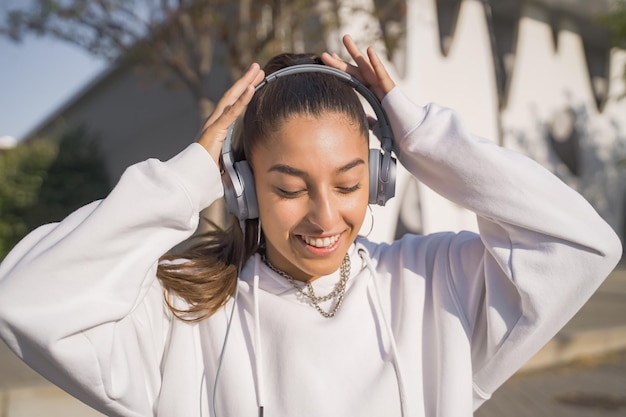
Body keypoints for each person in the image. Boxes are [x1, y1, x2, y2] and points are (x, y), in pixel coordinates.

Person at [0, 35, 621, 417]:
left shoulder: (437, 288)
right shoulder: (183, 313)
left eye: (350, 184)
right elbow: (25, 299)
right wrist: (187, 177)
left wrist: (426, 139)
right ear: (242, 187)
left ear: (380, 178)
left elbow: (581, 245)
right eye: (291, 188)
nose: (327, 216)